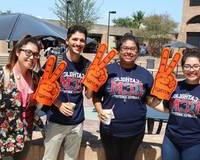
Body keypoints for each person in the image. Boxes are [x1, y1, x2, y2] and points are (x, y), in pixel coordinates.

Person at [93, 33, 154, 160]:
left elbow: (149, 99)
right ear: (119, 51)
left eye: (133, 49)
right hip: (110, 128)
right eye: (125, 48)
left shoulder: (146, 75)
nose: (129, 52)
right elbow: (96, 96)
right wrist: (100, 111)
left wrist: (162, 94)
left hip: (135, 130)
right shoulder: (106, 71)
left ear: (138, 52)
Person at [42, 25, 92, 160]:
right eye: (75, 39)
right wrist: (59, 104)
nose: (78, 43)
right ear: (67, 41)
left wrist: (93, 83)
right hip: (55, 121)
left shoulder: (88, 65)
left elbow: (88, 95)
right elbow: (43, 89)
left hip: (77, 122)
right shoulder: (55, 61)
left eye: (82, 40)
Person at [152, 49, 200, 160]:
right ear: (183, 68)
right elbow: (166, 108)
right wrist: (155, 93)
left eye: (196, 66)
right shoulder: (174, 86)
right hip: (171, 140)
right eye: (187, 66)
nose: (191, 70)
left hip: (194, 143)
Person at [0, 35, 41, 159]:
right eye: (28, 52)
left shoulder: (35, 78)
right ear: (18, 52)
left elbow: (38, 105)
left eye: (35, 54)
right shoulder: (4, 75)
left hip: (25, 136)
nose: (32, 57)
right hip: (4, 137)